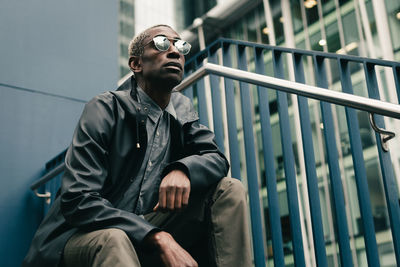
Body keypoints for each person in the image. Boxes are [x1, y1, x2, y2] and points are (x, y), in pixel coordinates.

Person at [23, 24, 252, 267]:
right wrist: (155, 236)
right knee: (114, 238)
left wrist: (183, 169)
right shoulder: (105, 108)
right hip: (78, 237)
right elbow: (78, 199)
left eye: (181, 46)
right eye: (162, 43)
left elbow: (215, 158)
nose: (175, 51)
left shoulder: (182, 111)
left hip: (145, 228)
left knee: (228, 189)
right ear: (136, 64)